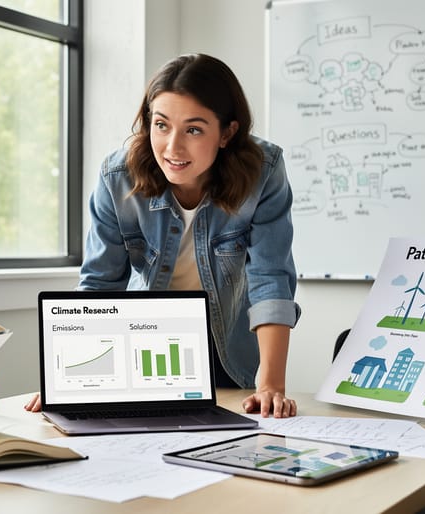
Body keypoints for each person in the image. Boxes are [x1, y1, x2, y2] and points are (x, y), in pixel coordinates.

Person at [25, 54, 300, 418]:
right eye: (161, 125)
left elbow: (271, 279)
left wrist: (271, 386)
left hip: (229, 352)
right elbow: (99, 285)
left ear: (228, 133)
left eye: (194, 129)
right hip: (144, 349)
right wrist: (70, 380)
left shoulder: (262, 172)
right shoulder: (117, 177)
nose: (172, 148)